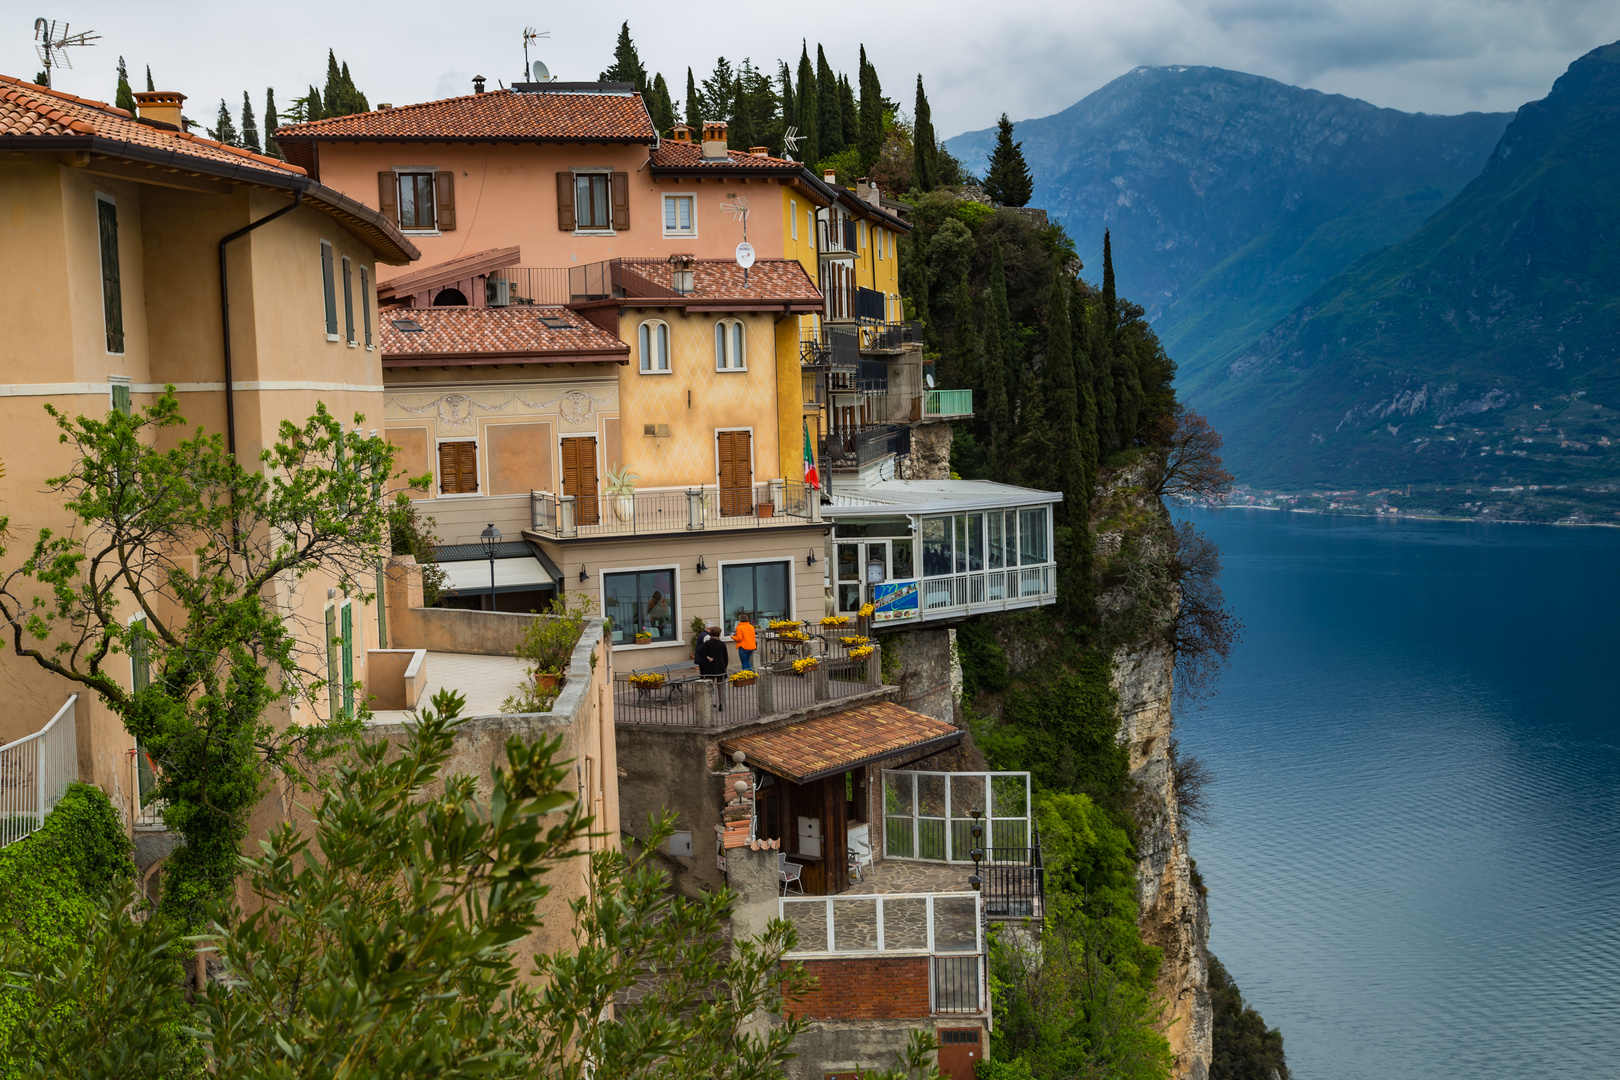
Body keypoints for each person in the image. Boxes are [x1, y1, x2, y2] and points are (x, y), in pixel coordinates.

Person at [694, 624, 729, 712]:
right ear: (719, 634)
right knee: (721, 687)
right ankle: (721, 704)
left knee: (709, 686)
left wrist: (707, 657)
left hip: (710, 667)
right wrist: (725, 666)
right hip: (720, 668)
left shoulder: (707, 643)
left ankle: (708, 703)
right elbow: (726, 657)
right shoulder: (722, 644)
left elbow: (699, 650)